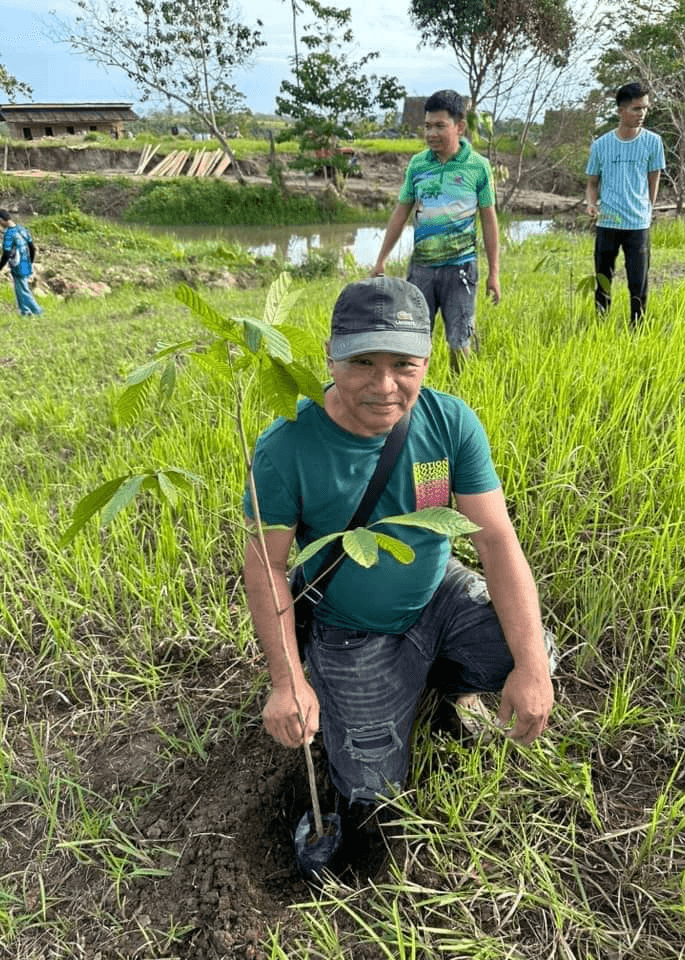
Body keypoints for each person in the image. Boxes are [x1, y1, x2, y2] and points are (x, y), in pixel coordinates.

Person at [243, 276, 554, 870]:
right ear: (329, 357)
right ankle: (357, 699)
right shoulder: (286, 447)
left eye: (403, 364)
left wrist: (532, 668)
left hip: (438, 593)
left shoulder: (449, 423)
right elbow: (267, 568)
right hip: (353, 627)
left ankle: (440, 685)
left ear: (427, 361)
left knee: (533, 651)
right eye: (362, 361)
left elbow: (496, 541)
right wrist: (286, 683)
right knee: (371, 793)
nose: (384, 386)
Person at [370, 90, 500, 369]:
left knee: (459, 339)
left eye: (440, 126)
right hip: (422, 269)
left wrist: (494, 273)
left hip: (461, 269)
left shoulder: (478, 167)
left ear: (459, 127)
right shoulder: (418, 165)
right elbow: (401, 212)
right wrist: (381, 259)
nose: (431, 133)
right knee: (414, 340)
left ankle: (459, 394)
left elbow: (489, 220)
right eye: (427, 126)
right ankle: (415, 397)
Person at [585, 82, 665, 325]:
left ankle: (637, 329)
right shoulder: (601, 145)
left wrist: (648, 209)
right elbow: (592, 183)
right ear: (621, 110)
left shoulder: (653, 142)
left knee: (638, 282)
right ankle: (600, 324)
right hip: (608, 222)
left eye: (645, 109)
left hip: (638, 223)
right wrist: (591, 204)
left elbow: (654, 178)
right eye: (636, 109)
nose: (642, 114)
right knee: (603, 279)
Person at [0, 209, 43, 316]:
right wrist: (30, 262)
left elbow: (6, 254)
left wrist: (0, 267)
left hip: (17, 266)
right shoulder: (22, 229)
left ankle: (37, 311)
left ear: (1, 220)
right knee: (20, 290)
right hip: (26, 264)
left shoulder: (9, 234)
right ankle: (25, 312)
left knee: (23, 290)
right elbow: (32, 247)